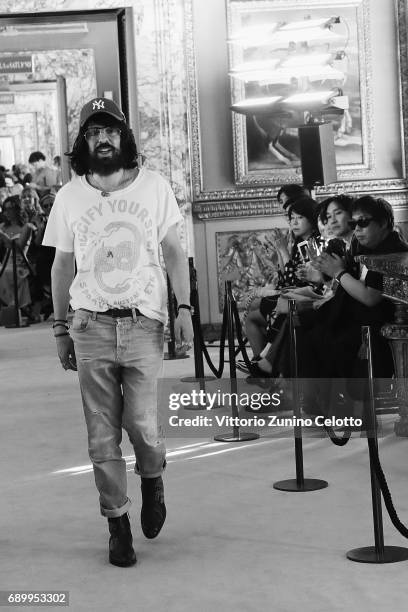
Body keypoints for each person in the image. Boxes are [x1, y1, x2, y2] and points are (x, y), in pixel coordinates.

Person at [42, 97, 194, 567]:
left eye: (109, 130)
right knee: (101, 434)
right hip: (89, 323)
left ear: (123, 137)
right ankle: (117, 523)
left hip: (144, 322)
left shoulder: (153, 187)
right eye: (92, 132)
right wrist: (60, 327)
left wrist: (184, 307)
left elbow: (173, 251)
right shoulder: (69, 196)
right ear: (83, 142)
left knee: (144, 426)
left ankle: (152, 480)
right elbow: (62, 264)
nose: (101, 139)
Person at [298, 195, 408, 414]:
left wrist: (337, 272)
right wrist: (328, 272)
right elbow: (345, 279)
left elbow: (370, 297)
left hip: (380, 325)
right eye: (353, 224)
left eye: (363, 222)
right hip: (362, 317)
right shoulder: (363, 245)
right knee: (306, 328)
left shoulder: (391, 250)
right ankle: (319, 401)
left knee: (322, 336)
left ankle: (330, 403)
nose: (357, 229)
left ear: (384, 223)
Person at [0, 195, 34, 312]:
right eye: (5, 209)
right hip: (5, 262)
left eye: (10, 208)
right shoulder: (3, 227)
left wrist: (3, 237)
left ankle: (12, 306)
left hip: (20, 263)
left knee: (4, 272)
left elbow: (19, 247)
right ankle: (8, 307)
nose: (6, 212)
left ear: (17, 209)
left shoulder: (26, 227)